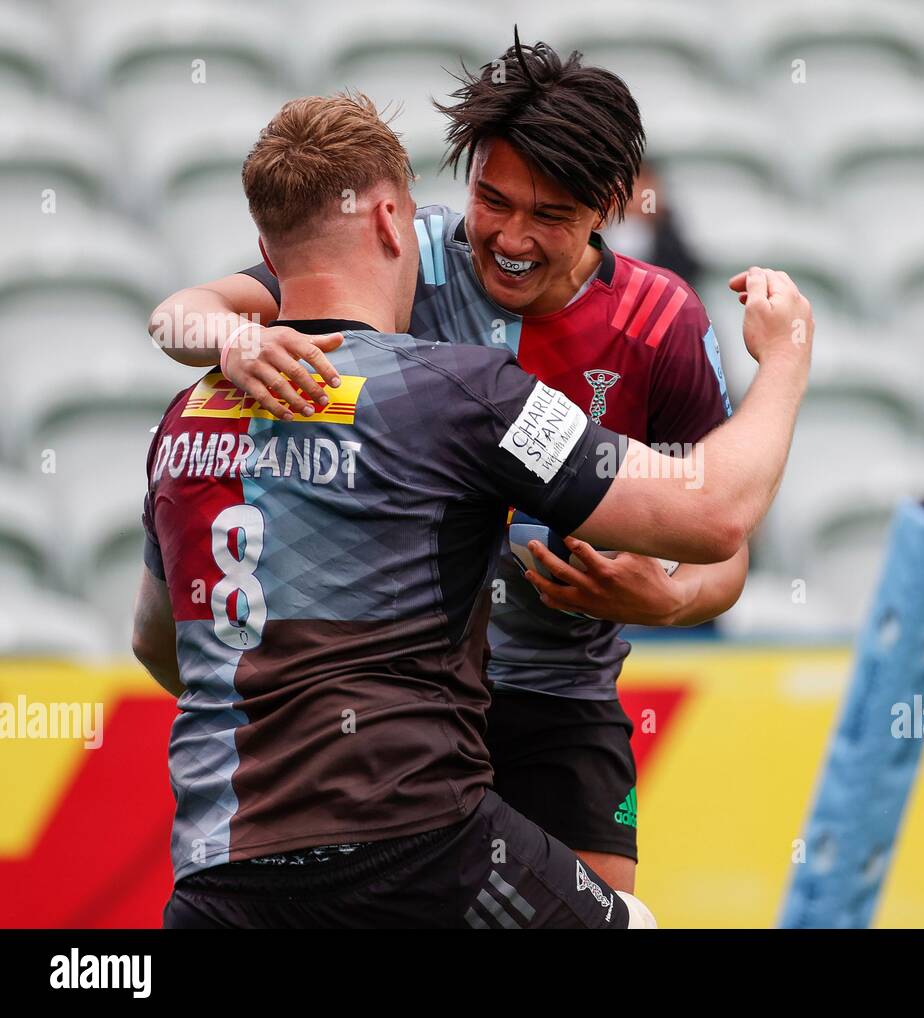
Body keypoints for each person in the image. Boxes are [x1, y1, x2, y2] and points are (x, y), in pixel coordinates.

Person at [131, 93, 814, 928]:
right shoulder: (435, 313)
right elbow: (178, 311)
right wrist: (787, 356)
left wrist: (674, 599)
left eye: (550, 217)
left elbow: (717, 551)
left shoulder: (656, 317)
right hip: (415, 759)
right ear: (407, 214)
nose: (511, 238)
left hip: (542, 701)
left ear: (608, 210)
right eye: (492, 201)